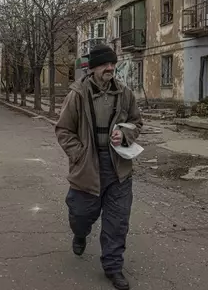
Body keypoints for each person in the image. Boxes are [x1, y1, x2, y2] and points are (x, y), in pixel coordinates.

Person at [55, 44, 143, 290]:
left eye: (112, 64)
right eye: (105, 64)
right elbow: (63, 130)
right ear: (92, 67)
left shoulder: (124, 93)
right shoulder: (78, 94)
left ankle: (113, 267)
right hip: (88, 167)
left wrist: (125, 135)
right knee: (81, 214)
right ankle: (80, 233)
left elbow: (136, 122)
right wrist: (79, 155)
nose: (110, 68)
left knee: (118, 221)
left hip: (119, 167)